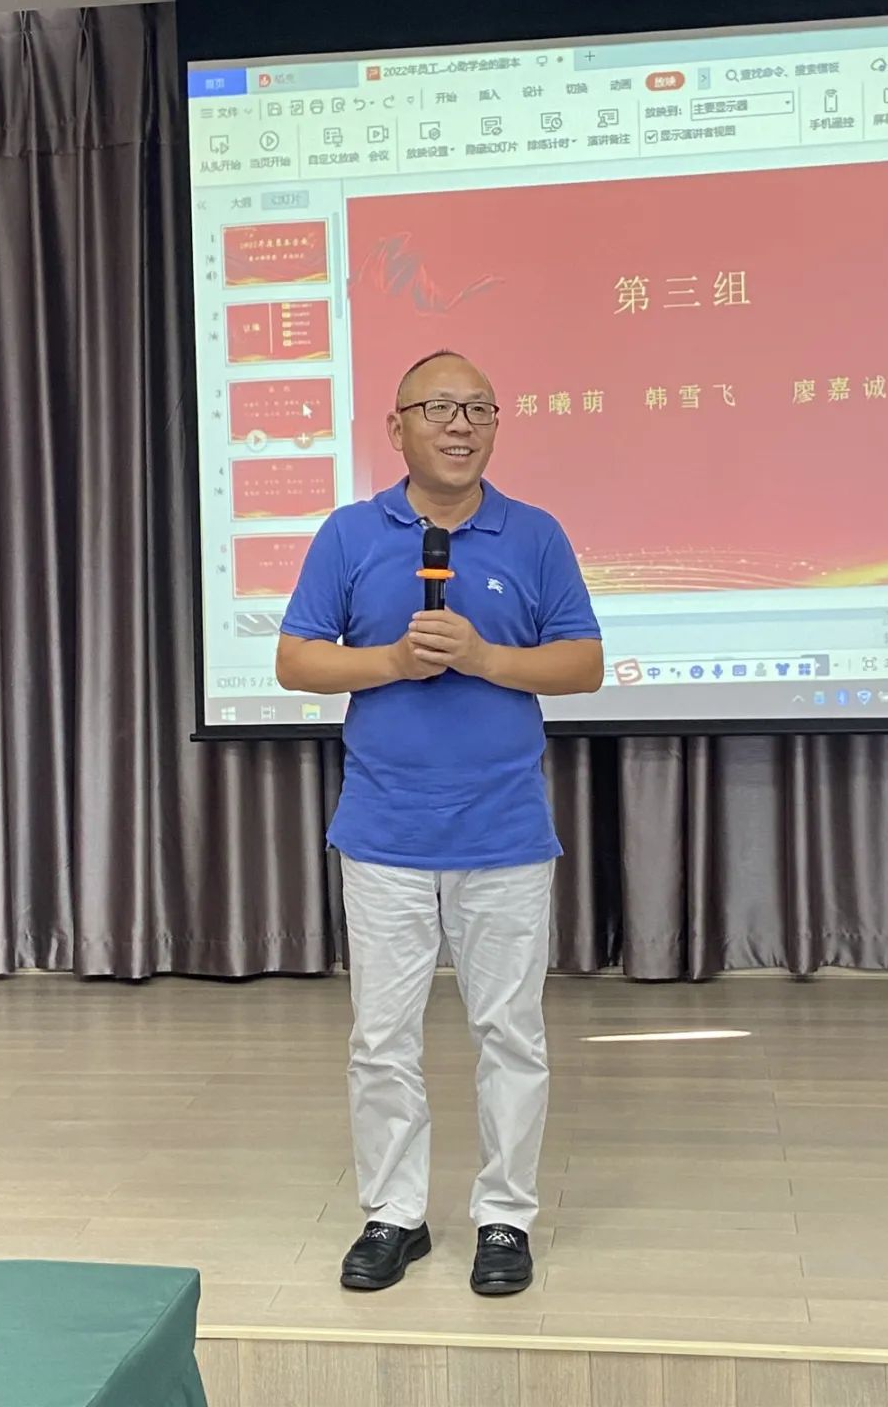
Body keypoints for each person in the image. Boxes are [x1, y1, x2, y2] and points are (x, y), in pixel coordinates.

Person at [276, 349, 603, 1295]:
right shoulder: (349, 533)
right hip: (384, 833)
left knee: (511, 1035)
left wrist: (484, 656)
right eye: (440, 408)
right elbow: (296, 661)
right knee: (381, 1038)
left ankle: (505, 1218)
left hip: (504, 833)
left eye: (479, 410)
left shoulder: (535, 534)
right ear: (397, 427)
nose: (461, 426)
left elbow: (583, 664)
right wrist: (392, 662)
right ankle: (395, 1214)